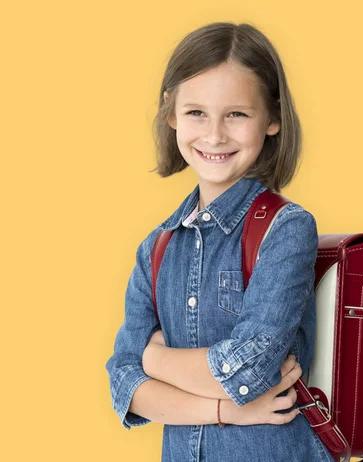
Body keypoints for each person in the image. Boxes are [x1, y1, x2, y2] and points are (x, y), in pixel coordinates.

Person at [104, 21, 335, 462]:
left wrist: (154, 361)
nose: (214, 135)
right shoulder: (156, 248)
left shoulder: (285, 228)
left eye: (237, 114)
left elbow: (248, 370)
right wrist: (226, 411)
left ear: (272, 119)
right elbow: (123, 385)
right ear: (170, 113)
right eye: (196, 113)